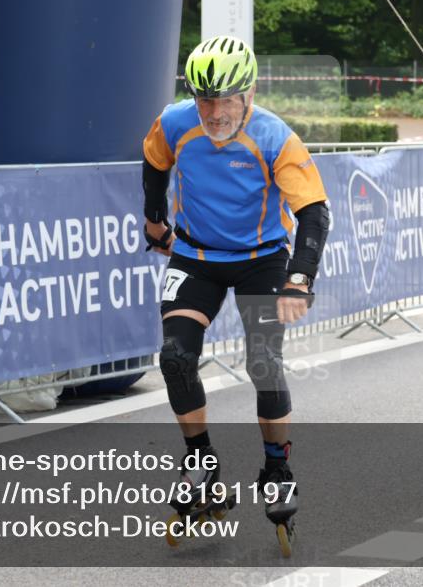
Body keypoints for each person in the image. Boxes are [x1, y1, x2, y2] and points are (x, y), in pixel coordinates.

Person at [141, 34, 329, 548]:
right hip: (196, 257)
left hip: (261, 260)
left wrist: (299, 278)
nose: (215, 113)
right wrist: (155, 221)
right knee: (175, 357)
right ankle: (201, 463)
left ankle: (276, 467)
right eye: (204, 100)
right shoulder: (175, 122)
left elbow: (314, 212)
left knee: (263, 362)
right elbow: (154, 162)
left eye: (226, 100)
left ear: (249, 93)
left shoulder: (275, 138)